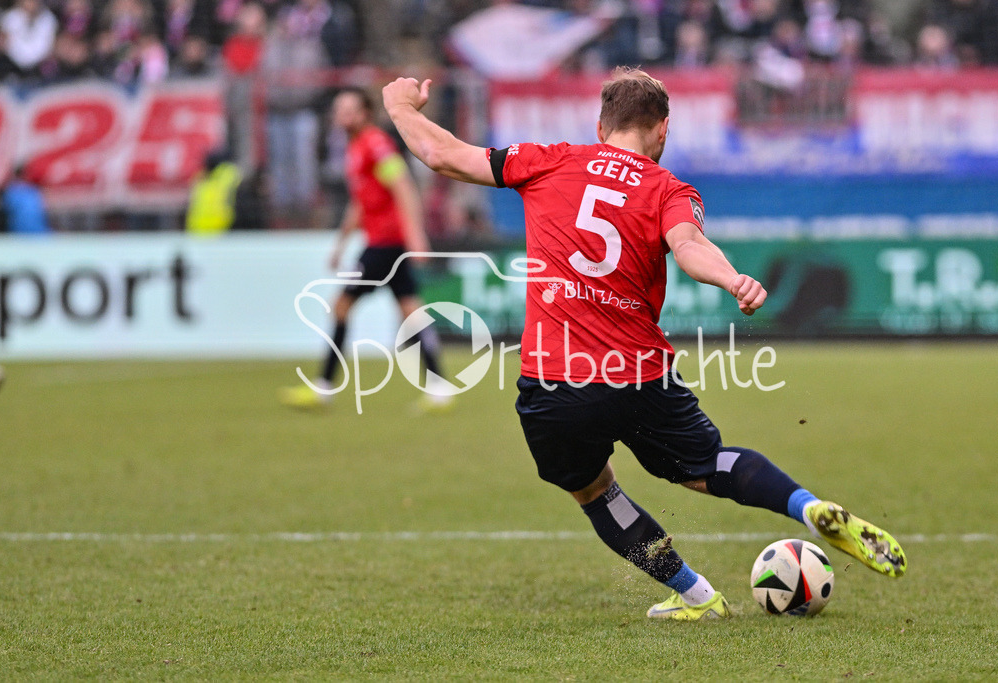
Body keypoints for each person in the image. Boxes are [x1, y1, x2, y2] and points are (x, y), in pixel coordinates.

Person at [380, 68, 907, 621]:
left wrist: (401, 107)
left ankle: (697, 596)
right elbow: (689, 246)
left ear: (600, 126)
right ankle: (808, 506)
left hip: (556, 378)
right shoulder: (669, 189)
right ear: (662, 129)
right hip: (639, 373)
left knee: (594, 491)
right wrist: (733, 280)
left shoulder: (547, 160)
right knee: (708, 465)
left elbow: (442, 154)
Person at [280, 87, 448, 410]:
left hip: (385, 243)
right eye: (338, 109)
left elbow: (402, 186)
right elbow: (361, 202)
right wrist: (341, 244)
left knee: (342, 306)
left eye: (349, 109)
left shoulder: (375, 144)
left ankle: (324, 386)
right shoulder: (355, 148)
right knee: (411, 312)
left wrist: (416, 235)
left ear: (365, 113)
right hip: (385, 242)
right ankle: (439, 387)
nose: (342, 115)